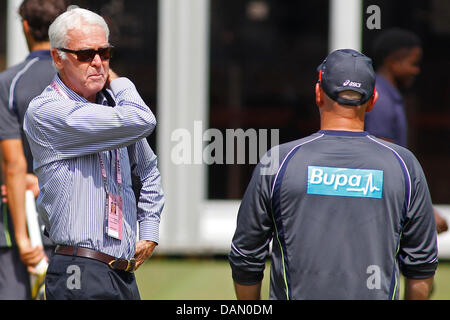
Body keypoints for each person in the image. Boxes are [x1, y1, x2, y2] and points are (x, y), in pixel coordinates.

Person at [229, 49, 438, 300]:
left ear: (318, 94)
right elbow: (421, 266)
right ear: (373, 100)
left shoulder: (279, 161)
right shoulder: (404, 165)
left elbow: (246, 255)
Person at [23, 7, 164, 300]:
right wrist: (119, 80)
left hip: (122, 271)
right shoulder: (47, 110)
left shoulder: (114, 110)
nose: (98, 62)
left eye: (105, 53)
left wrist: (148, 230)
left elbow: (148, 169)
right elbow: (144, 119)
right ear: (57, 57)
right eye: (86, 54)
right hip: (80, 267)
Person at [0, 0, 68, 299]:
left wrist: (22, 237)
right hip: (71, 219)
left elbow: (13, 163)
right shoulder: (83, 79)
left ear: (25, 26)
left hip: (16, 219)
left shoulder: (10, 82)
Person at [364, 28, 448, 234]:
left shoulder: (389, 95)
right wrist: (421, 207)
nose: (416, 70)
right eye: (413, 63)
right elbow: (384, 158)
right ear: (393, 62)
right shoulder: (381, 99)